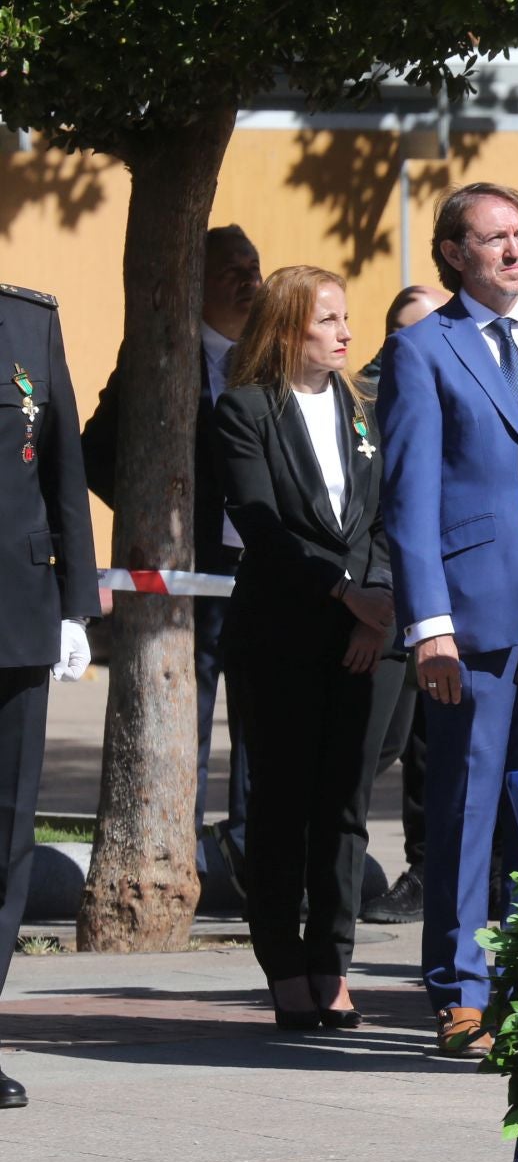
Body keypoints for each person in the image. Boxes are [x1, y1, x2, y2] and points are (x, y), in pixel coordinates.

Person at [377, 182, 518, 1057]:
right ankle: (462, 992)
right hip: (474, 615)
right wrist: (427, 622)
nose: (513, 250)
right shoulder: (423, 351)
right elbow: (410, 499)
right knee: (468, 807)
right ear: (454, 256)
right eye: (492, 238)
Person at [215, 266, 406, 1030]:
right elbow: (262, 525)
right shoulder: (246, 409)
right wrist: (341, 591)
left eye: (346, 318)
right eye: (327, 321)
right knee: (283, 804)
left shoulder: (364, 408)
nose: (346, 334)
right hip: (283, 633)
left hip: (366, 631)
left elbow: (391, 513)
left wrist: (374, 607)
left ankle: (332, 960)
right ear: (288, 330)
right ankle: (285, 964)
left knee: (346, 805)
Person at [82, 225, 261, 864]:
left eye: (254, 268)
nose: (249, 282)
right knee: (193, 703)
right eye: (231, 272)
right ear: (197, 284)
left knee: (262, 711)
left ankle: (249, 848)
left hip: (269, 568)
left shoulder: (275, 355)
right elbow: (95, 454)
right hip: (194, 571)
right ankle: (176, 846)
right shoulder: (162, 355)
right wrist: (156, 519)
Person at [0, 281, 99, 1108]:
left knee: (6, 838)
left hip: (15, 616)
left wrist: (76, 606)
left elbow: (65, 464)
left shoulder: (29, 321)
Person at [358, 284, 451, 925]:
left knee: (432, 745)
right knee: (382, 742)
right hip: (391, 592)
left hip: (457, 589)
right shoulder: (363, 398)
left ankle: (428, 868)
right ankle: (331, 870)